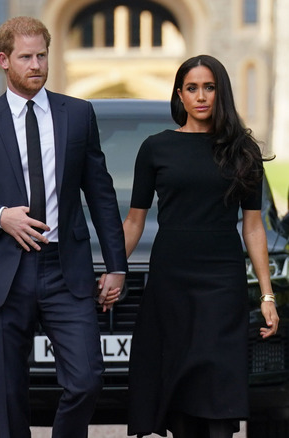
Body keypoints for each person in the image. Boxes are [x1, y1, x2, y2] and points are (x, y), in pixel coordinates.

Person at [0, 16, 127, 438]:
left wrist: (116, 265)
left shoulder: (78, 114)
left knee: (86, 380)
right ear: (4, 60)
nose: (37, 64)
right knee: (7, 396)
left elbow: (100, 192)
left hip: (66, 269)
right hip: (5, 269)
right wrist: (0, 216)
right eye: (26, 57)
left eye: (42, 55)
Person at [124, 55, 280, 438]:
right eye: (192, 88)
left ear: (220, 92)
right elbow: (134, 221)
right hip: (171, 281)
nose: (201, 96)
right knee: (179, 388)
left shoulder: (242, 150)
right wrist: (114, 268)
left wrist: (266, 295)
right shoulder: (155, 148)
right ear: (179, 94)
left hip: (222, 281)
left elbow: (254, 227)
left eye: (209, 87)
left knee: (218, 383)